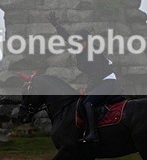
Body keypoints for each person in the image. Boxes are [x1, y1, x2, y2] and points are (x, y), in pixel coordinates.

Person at [48, 12, 119, 143]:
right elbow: (67, 38)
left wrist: (87, 90)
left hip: (107, 81)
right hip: (100, 82)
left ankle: (93, 133)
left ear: (87, 41)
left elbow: (96, 74)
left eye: (82, 41)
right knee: (81, 102)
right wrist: (57, 25)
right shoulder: (80, 48)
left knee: (87, 102)